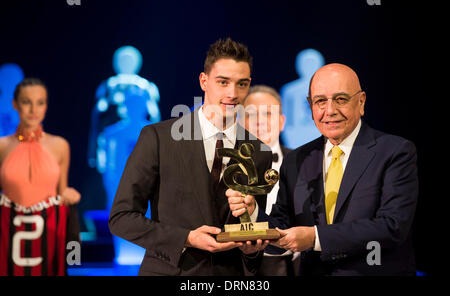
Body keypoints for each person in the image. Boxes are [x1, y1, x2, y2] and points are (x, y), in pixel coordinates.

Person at [227, 63, 418, 275]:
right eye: (320, 101)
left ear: (361, 102)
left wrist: (315, 237)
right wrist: (253, 213)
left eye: (341, 99)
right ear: (310, 107)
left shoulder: (395, 152)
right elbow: (282, 230)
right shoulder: (296, 160)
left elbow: (392, 227)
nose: (330, 111)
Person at [109, 38, 272, 276]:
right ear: (203, 81)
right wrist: (186, 238)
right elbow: (122, 218)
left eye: (242, 84)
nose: (232, 93)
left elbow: (253, 240)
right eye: (223, 82)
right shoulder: (158, 138)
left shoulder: (259, 152)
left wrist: (253, 234)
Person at [0, 77, 81, 275]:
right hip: (9, 239)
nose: (33, 109)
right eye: (27, 102)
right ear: (15, 104)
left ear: (46, 106)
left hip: (48, 237)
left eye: (40, 102)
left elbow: (62, 192)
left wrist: (70, 195)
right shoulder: (1, 146)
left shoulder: (60, 145)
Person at [242, 85, 300, 276]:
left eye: (268, 114)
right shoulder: (223, 165)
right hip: (237, 268)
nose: (260, 122)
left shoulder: (305, 164)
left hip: (293, 267)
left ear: (282, 122)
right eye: (251, 114)